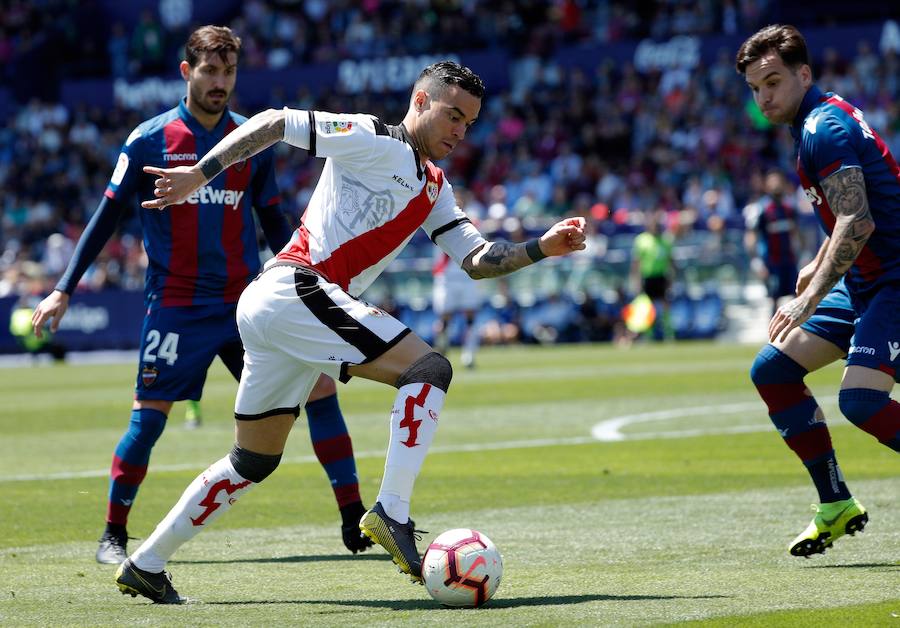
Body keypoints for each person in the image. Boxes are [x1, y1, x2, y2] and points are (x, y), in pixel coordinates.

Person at [113, 60, 586, 603]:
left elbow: (478, 259)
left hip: (279, 309)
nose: (460, 131)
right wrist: (201, 174)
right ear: (421, 101)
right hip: (295, 289)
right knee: (428, 368)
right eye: (453, 116)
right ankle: (392, 512)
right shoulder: (370, 137)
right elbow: (272, 122)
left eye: (470, 123)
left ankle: (145, 564)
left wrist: (541, 248)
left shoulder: (435, 189)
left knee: (253, 461)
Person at [30, 25, 372, 566]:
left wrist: (313, 286)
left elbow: (273, 220)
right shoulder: (150, 140)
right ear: (186, 72)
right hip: (177, 306)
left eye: (228, 72)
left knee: (320, 391)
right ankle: (113, 534)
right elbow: (104, 219)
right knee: (148, 422)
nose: (220, 82)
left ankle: (355, 518)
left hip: (247, 305)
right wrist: (62, 290)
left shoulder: (251, 141)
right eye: (210, 71)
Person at [739, 24, 900, 557]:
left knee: (861, 400)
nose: (764, 96)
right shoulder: (813, 120)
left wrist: (808, 297)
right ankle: (835, 505)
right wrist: (815, 264)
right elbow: (854, 211)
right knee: (773, 369)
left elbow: (858, 217)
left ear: (803, 74)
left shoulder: (822, 128)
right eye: (756, 87)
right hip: (865, 283)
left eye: (773, 81)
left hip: (895, 280)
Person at [432, 188, 483, 368]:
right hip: (446, 277)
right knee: (444, 318)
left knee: (470, 316)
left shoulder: (472, 220)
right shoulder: (439, 215)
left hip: (467, 275)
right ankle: (442, 349)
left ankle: (469, 354)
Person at [744, 170, 803, 316]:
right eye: (772, 181)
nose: (776, 185)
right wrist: (756, 261)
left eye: (778, 181)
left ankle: (796, 334)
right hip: (771, 262)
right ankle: (773, 336)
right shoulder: (761, 209)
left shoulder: (790, 209)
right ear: (766, 186)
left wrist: (804, 254)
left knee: (797, 295)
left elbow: (798, 233)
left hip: (789, 261)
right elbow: (751, 235)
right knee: (773, 299)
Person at [629, 209, 675, 341]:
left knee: (665, 306)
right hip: (647, 278)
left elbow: (671, 261)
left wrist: (671, 279)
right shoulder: (642, 240)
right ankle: (649, 335)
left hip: (661, 277)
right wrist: (635, 281)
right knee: (647, 308)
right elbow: (636, 263)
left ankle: (669, 334)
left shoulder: (666, 240)